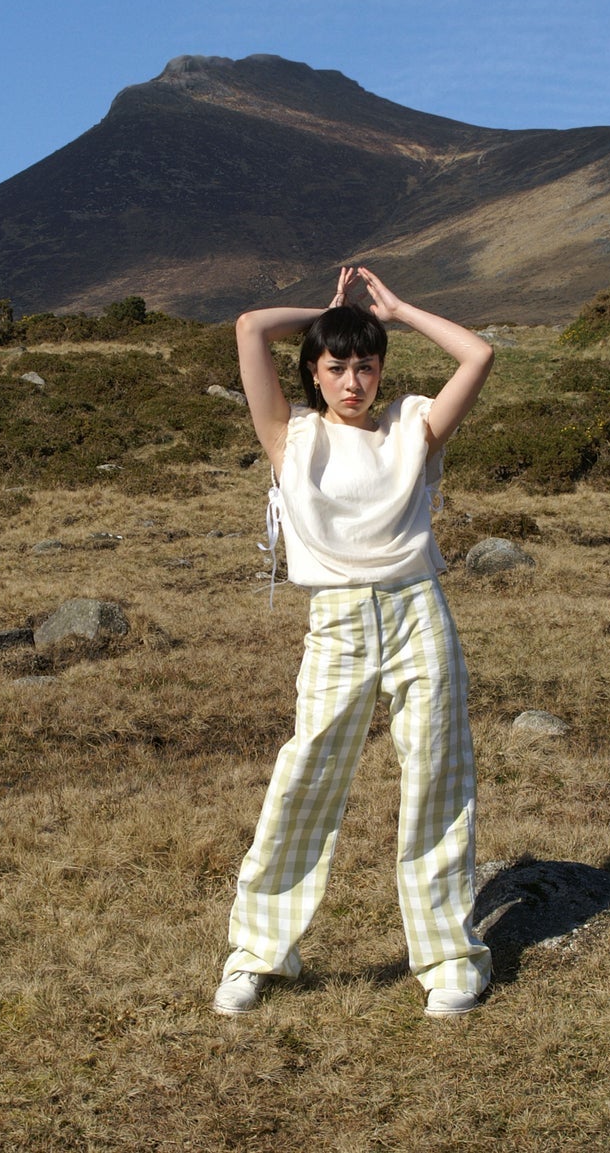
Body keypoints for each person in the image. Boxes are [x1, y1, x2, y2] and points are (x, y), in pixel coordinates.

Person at [213, 266, 494, 1019]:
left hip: (417, 610)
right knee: (306, 776)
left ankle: (449, 959)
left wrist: (398, 310)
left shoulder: (413, 426)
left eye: (366, 366)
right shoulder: (290, 435)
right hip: (336, 621)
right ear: (313, 371)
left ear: (381, 371)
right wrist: (328, 312)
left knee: (437, 777)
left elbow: (478, 355)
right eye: (336, 366)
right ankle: (257, 954)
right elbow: (249, 326)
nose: (352, 381)